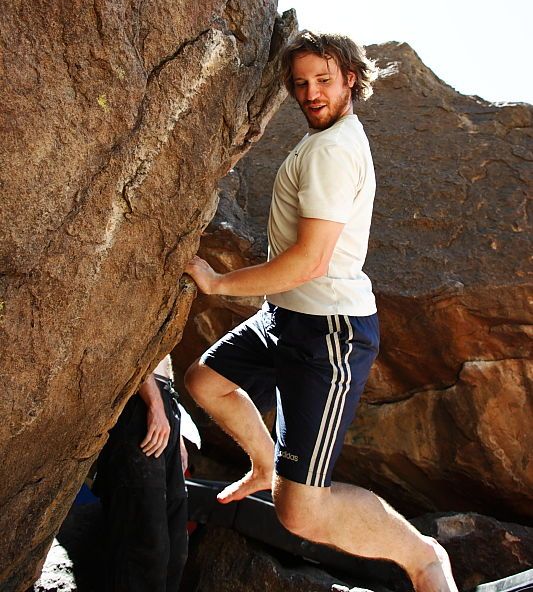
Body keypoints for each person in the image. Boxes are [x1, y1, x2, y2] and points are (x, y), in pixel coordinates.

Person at [184, 31, 458, 592]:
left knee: (299, 512)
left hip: (327, 334)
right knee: (206, 381)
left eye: (324, 80)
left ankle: (424, 558)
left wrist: (218, 283)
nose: (311, 93)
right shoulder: (326, 140)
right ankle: (265, 465)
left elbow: (309, 262)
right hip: (286, 319)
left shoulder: (334, 150)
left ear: (352, 79)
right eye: (301, 83)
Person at [93, 355, 195, 592]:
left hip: (165, 402)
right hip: (138, 402)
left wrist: (175, 430)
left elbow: (164, 358)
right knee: (146, 544)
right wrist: (154, 405)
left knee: (176, 549)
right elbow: (130, 348)